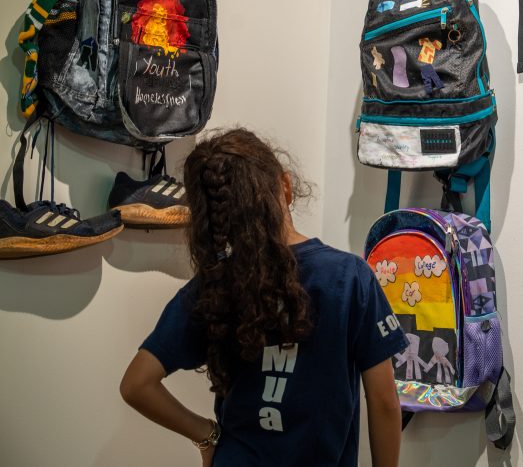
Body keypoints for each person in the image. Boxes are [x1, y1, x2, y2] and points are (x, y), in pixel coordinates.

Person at [120, 128, 407, 466]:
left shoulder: (213, 284)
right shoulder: (349, 277)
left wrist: (206, 435)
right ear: (286, 186)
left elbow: (136, 384)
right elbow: (384, 401)